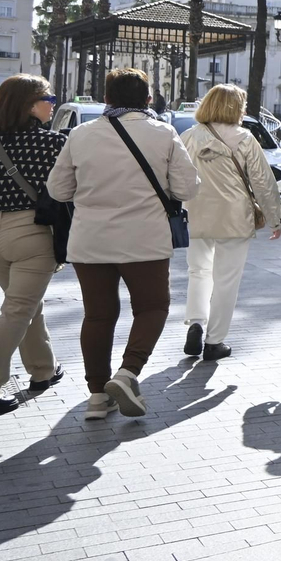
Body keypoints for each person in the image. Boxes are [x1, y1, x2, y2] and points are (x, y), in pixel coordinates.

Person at [46, 67, 200, 419]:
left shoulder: (81, 134)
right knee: (152, 307)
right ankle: (128, 373)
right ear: (148, 99)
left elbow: (58, 190)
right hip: (144, 239)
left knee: (98, 315)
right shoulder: (163, 133)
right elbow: (187, 189)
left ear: (106, 98)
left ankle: (98, 397)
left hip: (90, 240)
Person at [179, 84, 281, 361]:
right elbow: (262, 181)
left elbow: (174, 176)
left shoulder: (188, 136)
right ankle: (215, 342)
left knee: (198, 272)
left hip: (196, 214)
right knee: (226, 280)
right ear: (235, 108)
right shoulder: (245, 138)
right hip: (235, 218)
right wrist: (275, 218)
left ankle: (196, 323)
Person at [0, 75, 66, 416]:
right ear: (30, 105)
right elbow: (67, 192)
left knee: (24, 304)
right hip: (30, 232)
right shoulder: (52, 143)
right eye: (48, 98)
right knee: (17, 310)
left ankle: (43, 370)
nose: (52, 104)